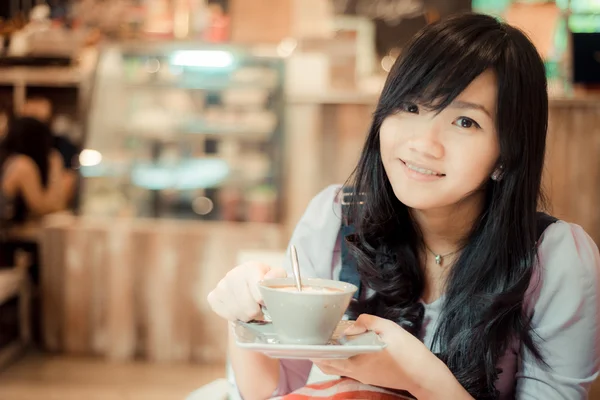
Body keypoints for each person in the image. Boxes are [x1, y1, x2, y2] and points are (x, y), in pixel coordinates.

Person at [207, 12, 600, 400]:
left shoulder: (557, 259)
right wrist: (246, 317)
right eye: (411, 107)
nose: (423, 144)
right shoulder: (334, 220)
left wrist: (421, 378)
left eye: (465, 122)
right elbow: (276, 392)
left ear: (507, 152)